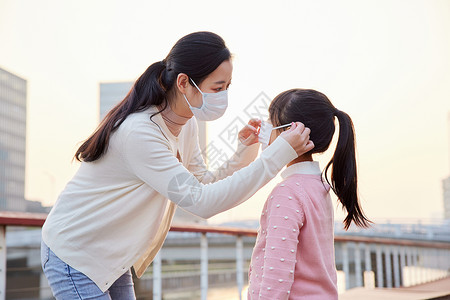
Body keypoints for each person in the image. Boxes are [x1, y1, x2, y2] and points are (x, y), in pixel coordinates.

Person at [40, 32, 314, 299]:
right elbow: (202, 203)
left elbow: (201, 183)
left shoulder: (187, 124)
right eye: (217, 88)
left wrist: (245, 151)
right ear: (184, 82)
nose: (223, 96)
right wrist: (277, 155)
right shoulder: (140, 133)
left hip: (112, 254)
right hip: (76, 253)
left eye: (227, 87)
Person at [247, 88, 371, 299]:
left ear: (292, 132)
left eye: (271, 121)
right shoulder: (318, 186)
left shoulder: (287, 193)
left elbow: (276, 281)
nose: (266, 128)